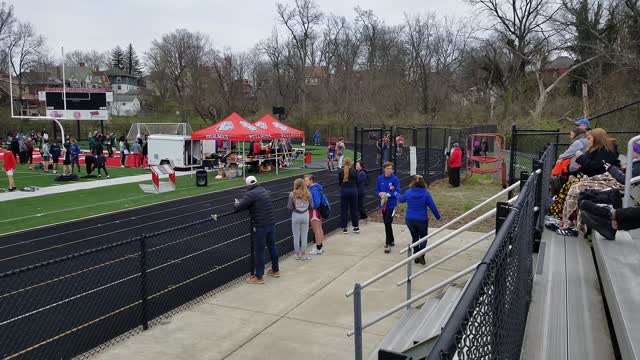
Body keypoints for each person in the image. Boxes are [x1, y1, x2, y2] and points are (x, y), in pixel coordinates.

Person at [234, 176, 280, 284]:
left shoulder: (251, 194)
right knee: (272, 246)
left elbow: (239, 207)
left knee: (259, 251)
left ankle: (259, 277)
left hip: (260, 225)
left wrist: (236, 203)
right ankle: (275, 270)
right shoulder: (263, 190)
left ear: (248, 185)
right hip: (271, 223)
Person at [395, 175, 441, 265]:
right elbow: (432, 206)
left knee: (415, 237)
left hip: (410, 219)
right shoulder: (426, 193)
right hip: (422, 219)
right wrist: (438, 216)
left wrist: (396, 193)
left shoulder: (408, 192)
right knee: (423, 237)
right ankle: (421, 255)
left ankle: (415, 255)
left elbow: (400, 199)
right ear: (423, 183)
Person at [376, 161, 401, 253]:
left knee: (387, 221)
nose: (389, 170)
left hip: (392, 205)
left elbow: (397, 192)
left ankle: (387, 244)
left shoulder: (395, 179)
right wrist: (380, 193)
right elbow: (377, 190)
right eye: (388, 169)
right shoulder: (380, 178)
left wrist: (387, 194)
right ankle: (392, 239)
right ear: (384, 169)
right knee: (387, 223)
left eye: (391, 169)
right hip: (383, 205)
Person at [288, 178, 312, 260]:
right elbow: (312, 206)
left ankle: (297, 254)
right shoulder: (308, 194)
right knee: (304, 235)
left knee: (296, 236)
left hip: (296, 215)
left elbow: (289, 207)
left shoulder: (292, 194)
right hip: (305, 214)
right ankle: (304, 254)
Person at [338, 157, 359, 234]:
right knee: (354, 209)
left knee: (344, 209)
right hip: (353, 191)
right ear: (351, 163)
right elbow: (357, 182)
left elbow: (340, 183)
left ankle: (344, 228)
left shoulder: (341, 172)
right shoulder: (354, 171)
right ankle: (356, 227)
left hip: (344, 191)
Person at [305, 174, 325, 255]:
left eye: (306, 180)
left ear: (311, 181)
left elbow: (316, 203)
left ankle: (318, 248)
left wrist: (309, 206)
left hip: (314, 212)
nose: (305, 182)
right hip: (317, 211)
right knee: (319, 229)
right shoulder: (316, 188)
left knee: (316, 230)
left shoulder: (313, 190)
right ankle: (320, 246)